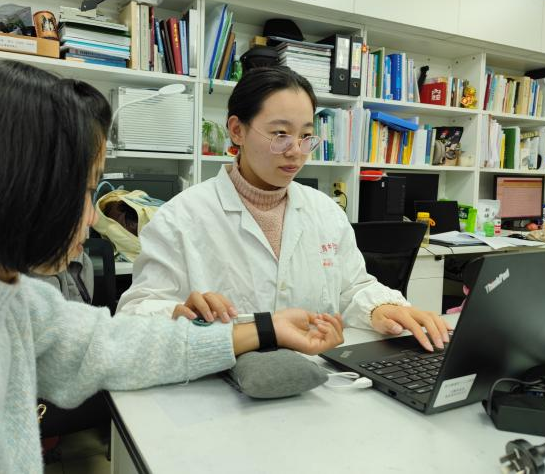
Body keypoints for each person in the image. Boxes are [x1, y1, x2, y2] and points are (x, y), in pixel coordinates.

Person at [0, 60, 344, 472]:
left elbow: (110, 345)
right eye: (85, 188)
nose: (93, 217)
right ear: (13, 187)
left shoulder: (0, 289)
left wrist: (265, 328)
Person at [117, 66, 451, 352]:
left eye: (306, 136)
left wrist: (381, 307)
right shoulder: (181, 216)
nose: (296, 151)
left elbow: (353, 288)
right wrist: (177, 312)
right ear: (237, 130)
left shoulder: (324, 211)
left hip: (316, 379)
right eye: (280, 134)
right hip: (222, 384)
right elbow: (134, 315)